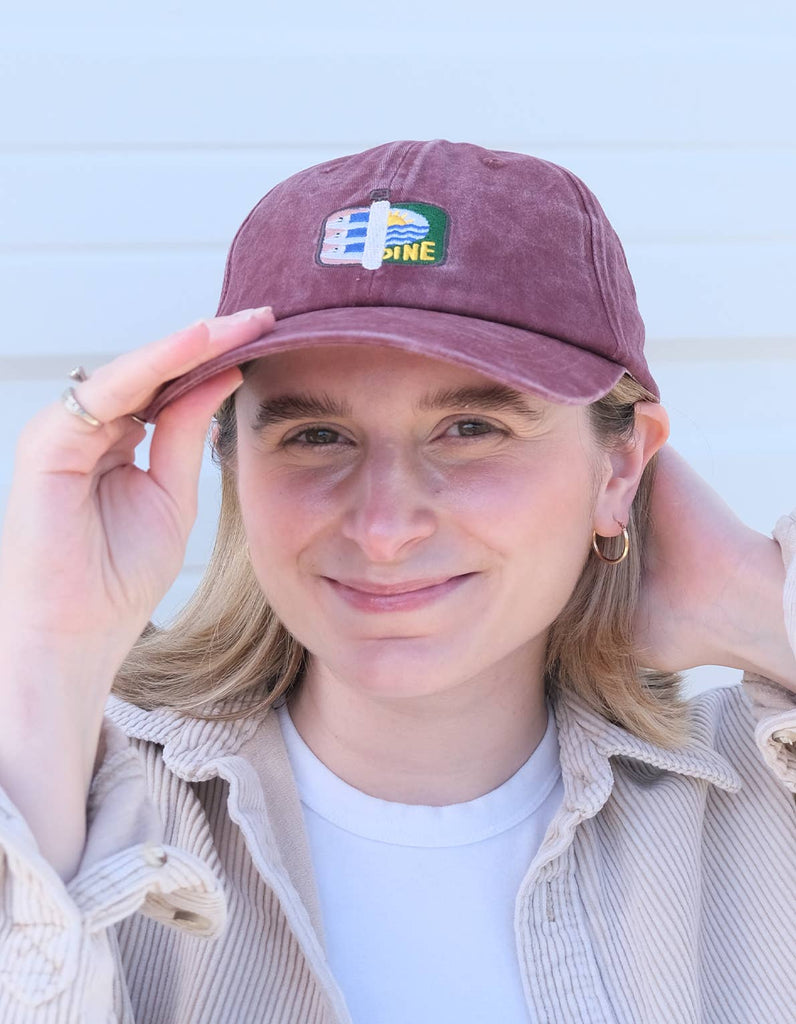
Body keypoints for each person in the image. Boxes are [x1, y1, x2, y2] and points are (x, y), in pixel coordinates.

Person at [0, 140, 793, 1024]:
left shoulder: (759, 811)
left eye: (470, 427)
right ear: (227, 461)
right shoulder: (79, 798)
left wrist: (755, 605)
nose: (382, 527)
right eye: (315, 437)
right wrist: (49, 650)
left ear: (620, 468)